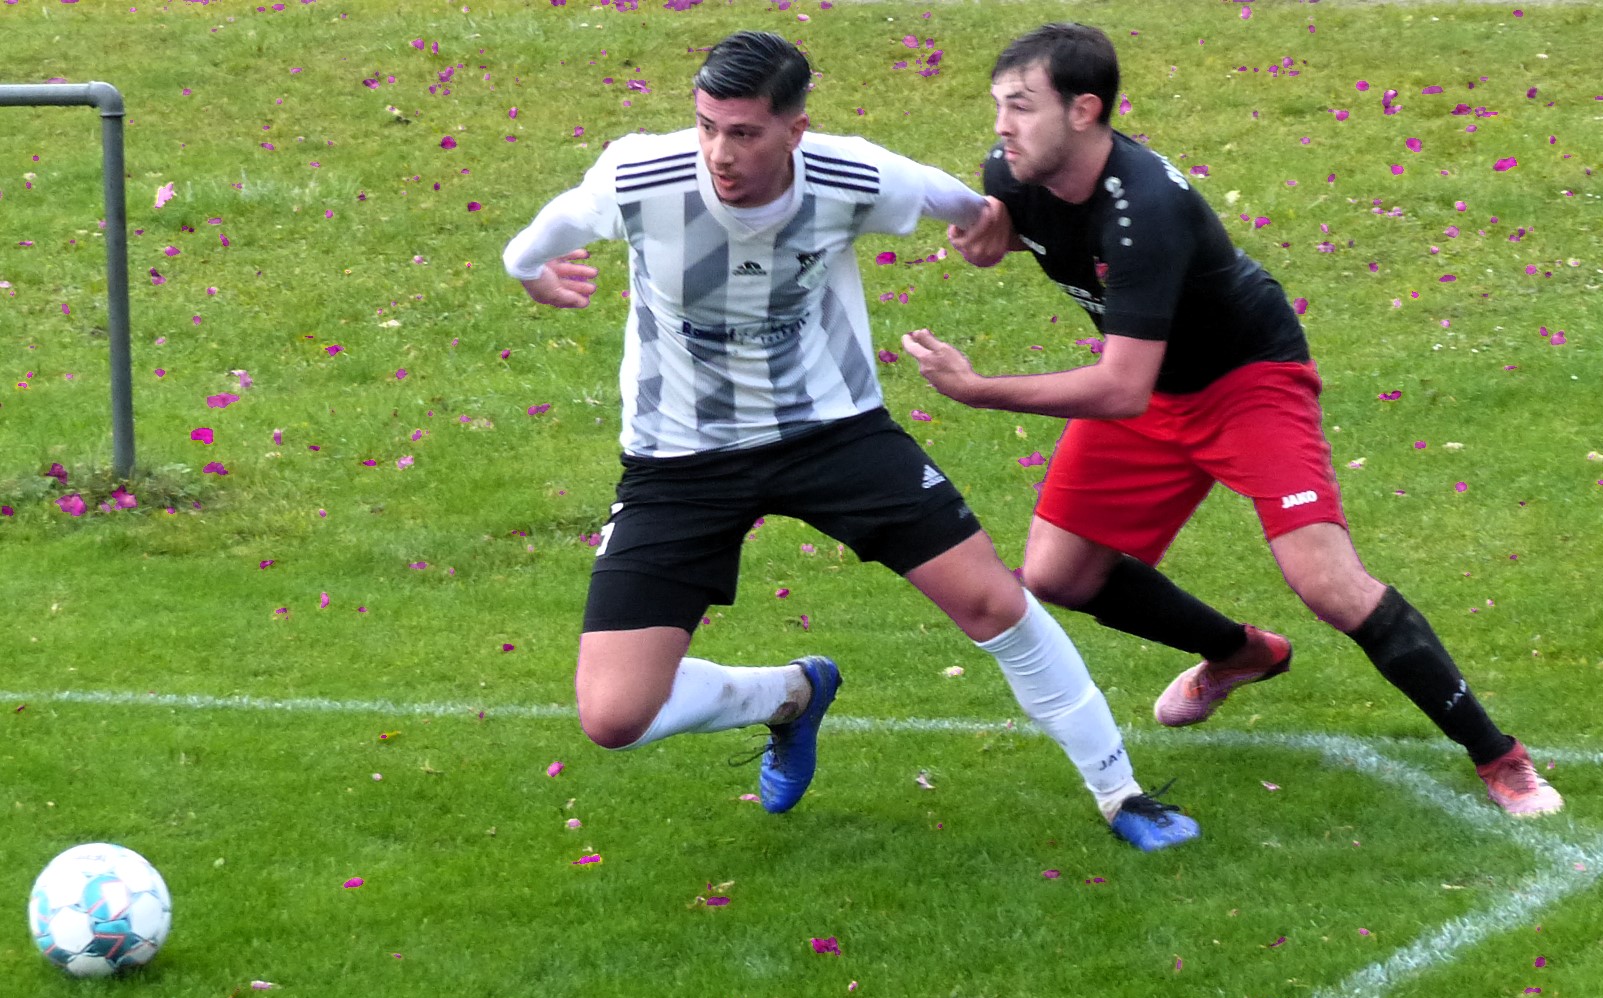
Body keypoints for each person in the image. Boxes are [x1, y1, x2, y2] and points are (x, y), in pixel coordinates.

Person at [501, 31, 1198, 849]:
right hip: (678, 456)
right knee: (613, 716)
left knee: (991, 602)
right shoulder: (639, 175)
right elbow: (533, 242)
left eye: (744, 132)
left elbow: (970, 210)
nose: (719, 153)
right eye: (707, 127)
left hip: (832, 431)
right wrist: (531, 274)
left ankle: (1120, 793)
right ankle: (789, 696)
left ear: (795, 129)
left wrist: (989, 228)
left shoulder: (852, 175)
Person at [903, 22, 1562, 817]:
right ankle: (1239, 653)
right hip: (1153, 379)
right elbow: (1039, 239)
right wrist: (996, 241)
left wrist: (980, 390)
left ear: (1083, 110)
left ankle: (1499, 756)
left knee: (1327, 584)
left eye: (1020, 105)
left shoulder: (1146, 210)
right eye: (997, 105)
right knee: (1057, 576)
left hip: (1244, 378)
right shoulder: (1011, 172)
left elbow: (1119, 389)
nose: (1001, 125)